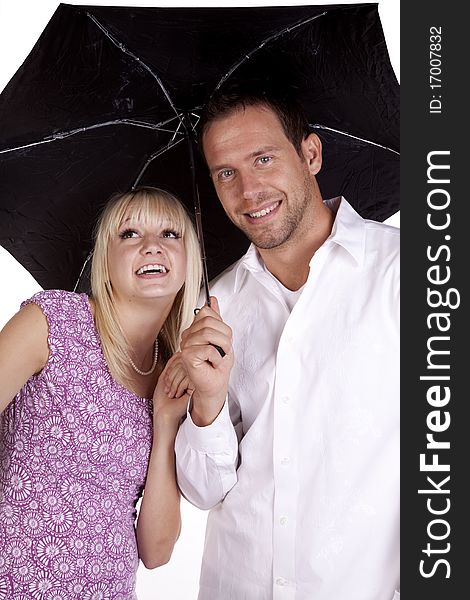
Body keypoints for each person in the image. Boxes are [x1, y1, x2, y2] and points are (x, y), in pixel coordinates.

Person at [172, 84, 400, 600]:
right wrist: (206, 404)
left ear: (311, 154)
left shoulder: (407, 272)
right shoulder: (214, 305)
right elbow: (204, 491)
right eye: (225, 173)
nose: (248, 190)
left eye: (263, 159)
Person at [0, 186, 203, 599]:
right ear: (103, 258)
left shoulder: (174, 376)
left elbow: (157, 551)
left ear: (190, 259)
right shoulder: (53, 321)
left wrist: (165, 421)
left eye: (170, 234)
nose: (152, 247)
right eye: (129, 234)